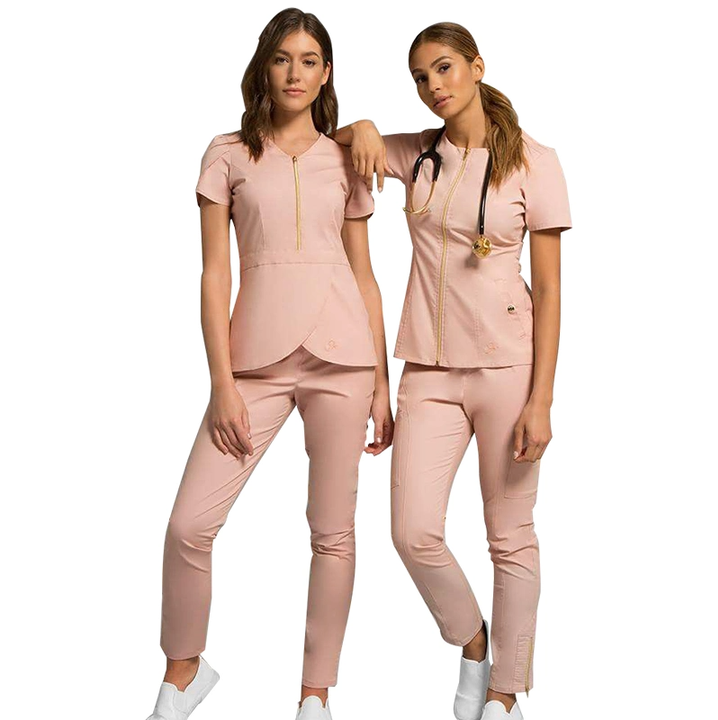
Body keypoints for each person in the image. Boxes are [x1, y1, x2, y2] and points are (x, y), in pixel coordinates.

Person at [145, 10, 393, 720]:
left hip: (345, 361)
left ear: (326, 72)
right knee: (189, 526)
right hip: (253, 366)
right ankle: (183, 672)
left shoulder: (347, 157)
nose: (295, 73)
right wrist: (221, 382)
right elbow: (213, 276)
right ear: (264, 67)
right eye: (283, 58)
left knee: (333, 533)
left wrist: (382, 382)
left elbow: (365, 273)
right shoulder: (226, 154)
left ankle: (316, 695)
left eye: (310, 60)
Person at [332, 21, 572, 720]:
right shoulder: (416, 154)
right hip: (429, 371)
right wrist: (365, 125)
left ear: (476, 66)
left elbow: (550, 288)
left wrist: (541, 400)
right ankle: (474, 642)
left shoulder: (536, 162)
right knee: (412, 532)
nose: (433, 86)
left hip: (508, 369)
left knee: (510, 536)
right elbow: (333, 143)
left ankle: (505, 692)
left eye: (443, 68)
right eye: (420, 77)